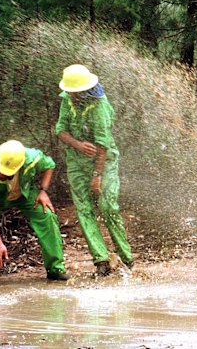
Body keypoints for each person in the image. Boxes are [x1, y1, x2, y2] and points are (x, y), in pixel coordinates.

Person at [55, 64, 133, 276]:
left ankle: (125, 258)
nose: (70, 94)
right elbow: (60, 130)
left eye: (73, 92)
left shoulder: (100, 106)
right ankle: (101, 260)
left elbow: (102, 144)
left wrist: (97, 176)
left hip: (103, 162)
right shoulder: (67, 100)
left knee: (108, 207)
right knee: (84, 210)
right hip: (76, 163)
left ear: (84, 90)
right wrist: (77, 144)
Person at [0, 140, 68, 284]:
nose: (1, 174)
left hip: (24, 194)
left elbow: (49, 165)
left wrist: (43, 191)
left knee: (47, 215)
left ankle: (56, 269)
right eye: (0, 170)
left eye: (7, 173)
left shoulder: (32, 158)